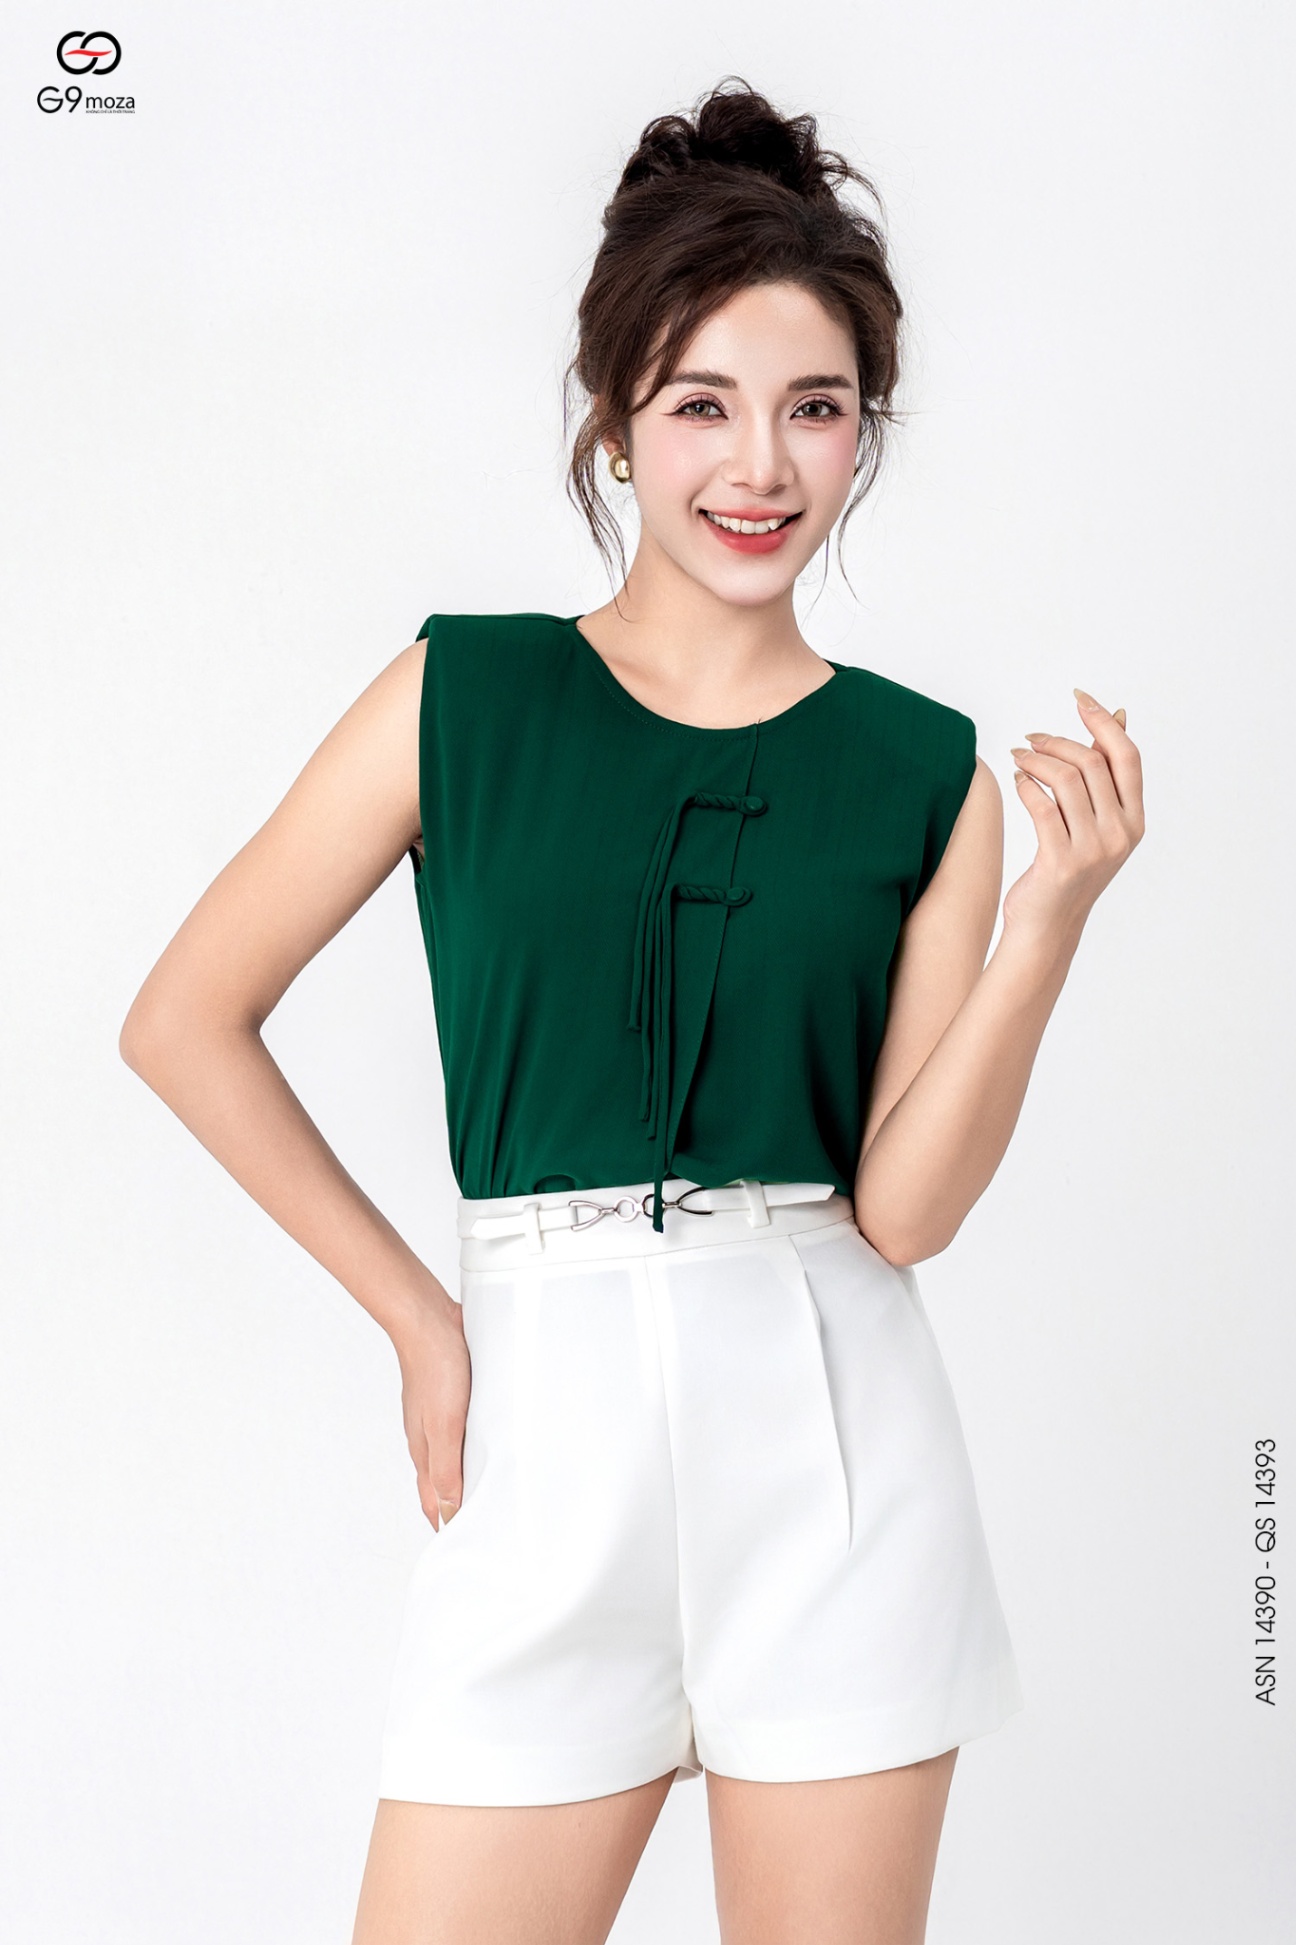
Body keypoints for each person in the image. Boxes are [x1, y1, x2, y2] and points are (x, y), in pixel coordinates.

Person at [119, 75, 1144, 1945]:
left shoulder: (925, 770)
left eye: (814, 406)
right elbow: (185, 1016)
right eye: (701, 405)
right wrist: (422, 1319)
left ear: (865, 429)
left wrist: (1046, 930)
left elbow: (904, 1210)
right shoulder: (462, 699)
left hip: (838, 1466)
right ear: (614, 421)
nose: (761, 465)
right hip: (542, 1439)